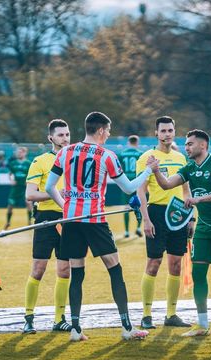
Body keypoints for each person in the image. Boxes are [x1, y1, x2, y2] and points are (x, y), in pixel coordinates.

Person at [45, 111, 157, 341]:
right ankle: (127, 328)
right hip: (95, 220)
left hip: (71, 221)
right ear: (100, 130)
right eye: (108, 131)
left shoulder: (65, 152)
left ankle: (75, 330)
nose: (108, 135)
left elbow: (49, 187)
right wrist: (149, 170)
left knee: (77, 273)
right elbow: (129, 188)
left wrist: (67, 206)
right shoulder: (107, 155)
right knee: (115, 269)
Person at [150, 129, 211, 338]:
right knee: (198, 274)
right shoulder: (189, 168)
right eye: (186, 144)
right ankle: (203, 325)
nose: (186, 147)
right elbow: (166, 185)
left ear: (203, 145)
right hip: (204, 227)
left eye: (190, 144)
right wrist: (156, 171)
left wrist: (198, 199)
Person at [135, 116, 193, 330]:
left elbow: (186, 189)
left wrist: (191, 216)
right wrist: (146, 219)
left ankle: (171, 314)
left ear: (174, 132)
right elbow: (140, 191)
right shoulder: (146, 158)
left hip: (179, 214)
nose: (167, 134)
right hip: (157, 213)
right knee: (154, 263)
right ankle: (146, 315)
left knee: (176, 264)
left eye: (170, 130)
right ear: (156, 133)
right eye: (163, 131)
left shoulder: (181, 157)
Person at [22, 119, 72, 334]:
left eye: (67, 134)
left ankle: (60, 319)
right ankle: (28, 317)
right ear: (50, 138)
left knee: (65, 270)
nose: (65, 138)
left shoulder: (75, 160)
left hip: (68, 219)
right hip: (45, 218)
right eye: (60, 135)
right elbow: (30, 194)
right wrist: (55, 194)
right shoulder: (40, 161)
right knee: (38, 270)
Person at [117, 134, 143, 238]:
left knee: (126, 207)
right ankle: (138, 228)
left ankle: (127, 232)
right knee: (140, 205)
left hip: (126, 182)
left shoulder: (122, 154)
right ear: (137, 142)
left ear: (128, 142)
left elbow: (118, 169)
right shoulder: (140, 154)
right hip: (137, 182)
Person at [4, 146, 33, 229]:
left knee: (28, 203)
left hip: (25, 187)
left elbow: (32, 174)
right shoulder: (13, 163)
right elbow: (10, 173)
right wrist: (11, 180)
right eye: (18, 152)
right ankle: (8, 222)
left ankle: (30, 222)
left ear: (25, 153)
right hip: (16, 187)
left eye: (20, 152)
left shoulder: (29, 163)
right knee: (10, 205)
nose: (19, 154)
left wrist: (28, 181)